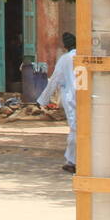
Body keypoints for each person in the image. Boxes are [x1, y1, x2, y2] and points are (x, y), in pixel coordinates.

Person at [37, 32, 78, 173]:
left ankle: (72, 161)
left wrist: (43, 99)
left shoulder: (65, 59)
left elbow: (54, 80)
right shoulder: (84, 56)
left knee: (75, 128)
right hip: (87, 97)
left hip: (71, 97)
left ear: (65, 46)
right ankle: (73, 159)